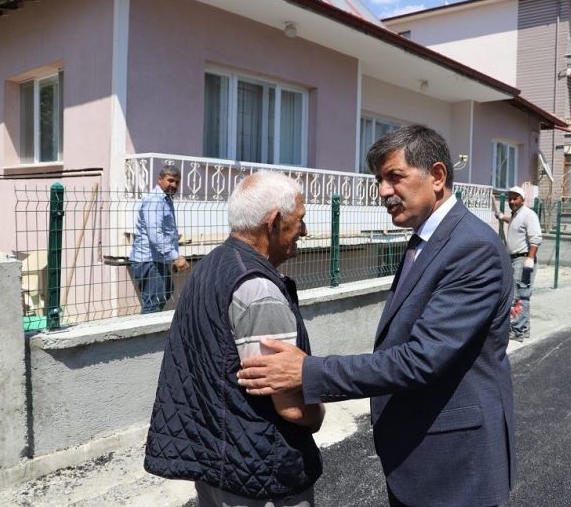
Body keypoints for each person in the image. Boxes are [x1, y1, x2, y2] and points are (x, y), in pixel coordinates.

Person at [238, 125, 516, 507]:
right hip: (422, 458)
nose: (384, 192)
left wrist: (308, 372)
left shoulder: (472, 248)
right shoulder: (428, 239)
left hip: (455, 467)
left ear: (436, 176)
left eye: (394, 177)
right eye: (379, 180)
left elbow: (422, 359)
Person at [144, 172, 325, 506]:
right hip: (262, 474)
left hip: (218, 465)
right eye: (300, 220)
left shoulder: (211, 264)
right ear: (273, 222)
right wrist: (318, 412)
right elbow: (291, 407)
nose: (305, 231)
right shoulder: (259, 290)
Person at [129, 166, 190, 313]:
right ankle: (145, 334)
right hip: (148, 260)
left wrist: (171, 258)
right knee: (153, 303)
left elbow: (167, 233)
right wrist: (175, 256)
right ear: (160, 179)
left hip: (157, 259)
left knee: (166, 292)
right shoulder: (155, 200)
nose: (173, 185)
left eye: (177, 182)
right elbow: (155, 234)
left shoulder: (165, 199)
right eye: (170, 180)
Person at [497, 186, 542, 342]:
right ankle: (523, 329)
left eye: (515, 198)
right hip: (514, 259)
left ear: (523, 199)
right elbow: (513, 222)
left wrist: (530, 258)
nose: (511, 201)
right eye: (510, 198)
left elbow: (536, 238)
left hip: (523, 259)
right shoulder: (516, 215)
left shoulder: (529, 214)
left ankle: (518, 331)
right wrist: (502, 217)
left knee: (520, 296)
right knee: (517, 294)